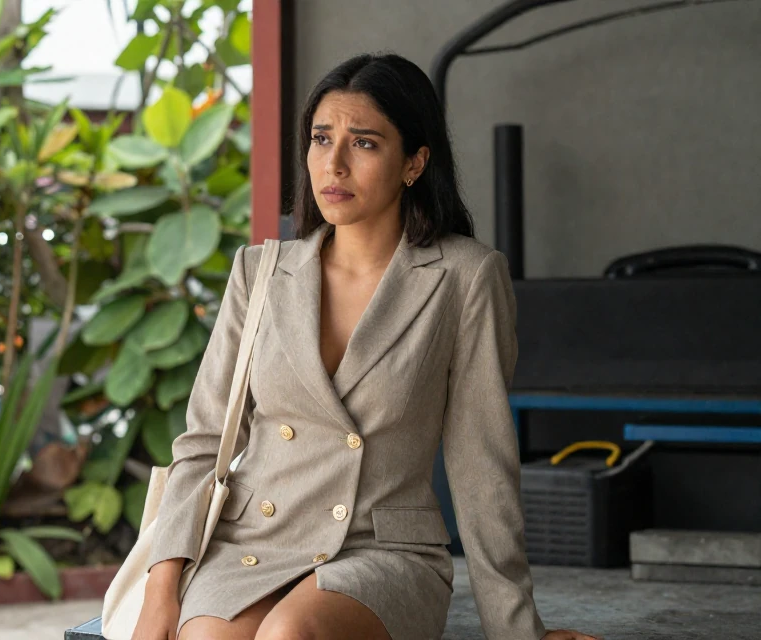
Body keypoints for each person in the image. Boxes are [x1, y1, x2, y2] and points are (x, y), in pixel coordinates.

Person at [129, 53, 602, 640]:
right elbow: (203, 442)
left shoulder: (464, 277)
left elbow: (482, 462)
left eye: (365, 144)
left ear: (414, 162)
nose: (334, 164)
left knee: (289, 635)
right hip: (254, 540)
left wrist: (517, 631)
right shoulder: (261, 271)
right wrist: (159, 591)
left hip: (383, 549)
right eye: (321, 138)